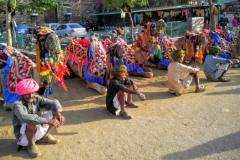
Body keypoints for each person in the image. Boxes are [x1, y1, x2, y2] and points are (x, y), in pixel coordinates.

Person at [12, 79, 66, 158]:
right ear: (22, 94)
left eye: (32, 93)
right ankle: (31, 144)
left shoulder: (36, 99)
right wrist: (47, 121)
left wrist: (59, 113)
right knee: (31, 122)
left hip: (37, 127)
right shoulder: (17, 104)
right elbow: (25, 117)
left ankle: (44, 136)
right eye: (27, 94)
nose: (31, 96)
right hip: (23, 135)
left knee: (54, 110)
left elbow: (54, 102)